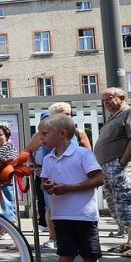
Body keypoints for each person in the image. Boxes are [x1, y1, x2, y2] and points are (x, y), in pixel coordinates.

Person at [38, 113, 111, 262]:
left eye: (44, 133)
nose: (41, 138)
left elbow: (98, 179)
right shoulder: (49, 159)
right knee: (66, 254)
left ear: (62, 134)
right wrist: (48, 187)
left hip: (84, 215)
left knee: (91, 254)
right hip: (61, 214)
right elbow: (45, 182)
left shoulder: (83, 154)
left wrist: (68, 188)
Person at [26, 102, 90, 250]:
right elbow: (28, 150)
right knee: (51, 207)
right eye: (62, 112)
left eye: (68, 113)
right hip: (52, 175)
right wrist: (34, 167)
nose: (66, 115)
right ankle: (54, 237)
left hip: (75, 175)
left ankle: (77, 237)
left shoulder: (78, 132)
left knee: (76, 203)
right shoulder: (42, 134)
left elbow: (89, 153)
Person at [94, 88, 131, 258]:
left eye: (109, 98)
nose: (106, 102)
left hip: (126, 167)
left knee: (130, 203)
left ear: (122, 97)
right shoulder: (114, 117)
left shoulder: (130, 112)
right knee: (120, 205)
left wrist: (122, 162)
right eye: (104, 100)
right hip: (111, 167)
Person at [0, 125, 18, 224]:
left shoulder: (9, 146)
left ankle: (9, 226)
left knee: (6, 203)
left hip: (5, 179)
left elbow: (10, 160)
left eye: (0, 134)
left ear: (6, 136)